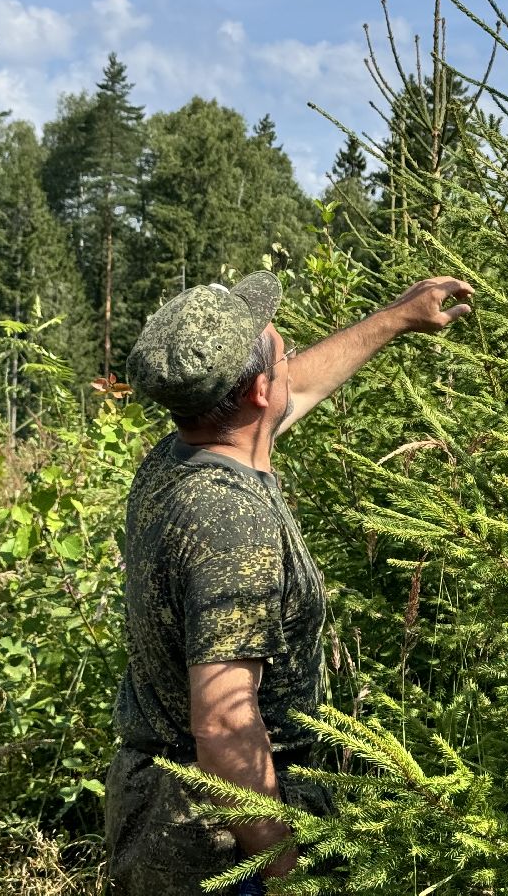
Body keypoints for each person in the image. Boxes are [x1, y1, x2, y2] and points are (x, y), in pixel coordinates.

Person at [103, 270, 473, 894]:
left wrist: (399, 316)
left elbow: (292, 387)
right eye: (276, 348)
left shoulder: (182, 450)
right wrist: (281, 866)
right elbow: (223, 723)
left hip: (163, 801)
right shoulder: (228, 522)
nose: (286, 350)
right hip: (219, 838)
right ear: (254, 392)